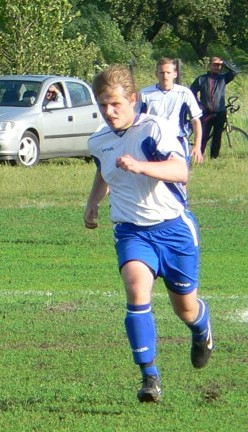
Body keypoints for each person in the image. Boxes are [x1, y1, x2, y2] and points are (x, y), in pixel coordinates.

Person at [84, 65, 213, 403]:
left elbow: (180, 170)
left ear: (133, 99)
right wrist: (92, 203)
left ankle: (201, 328)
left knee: (184, 309)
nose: (109, 112)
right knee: (136, 289)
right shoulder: (98, 140)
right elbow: (104, 171)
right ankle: (149, 377)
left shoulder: (155, 129)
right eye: (103, 106)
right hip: (131, 231)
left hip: (173, 230)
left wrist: (141, 166)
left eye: (115, 104)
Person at [141, 58, 204, 165]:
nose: (165, 76)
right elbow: (137, 119)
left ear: (175, 74)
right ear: (156, 74)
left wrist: (197, 146)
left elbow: (196, 120)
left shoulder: (185, 93)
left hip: (177, 139)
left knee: (179, 176)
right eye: (162, 72)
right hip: (153, 140)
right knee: (154, 176)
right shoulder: (145, 93)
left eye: (168, 72)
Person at [190, 56, 240, 159]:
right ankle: (199, 157)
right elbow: (191, 93)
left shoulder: (223, 78)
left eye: (219, 65)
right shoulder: (201, 79)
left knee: (217, 137)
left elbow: (235, 71)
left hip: (220, 113)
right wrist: (198, 104)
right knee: (203, 136)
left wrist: (224, 63)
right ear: (210, 65)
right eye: (215, 65)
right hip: (206, 113)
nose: (217, 67)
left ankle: (214, 158)